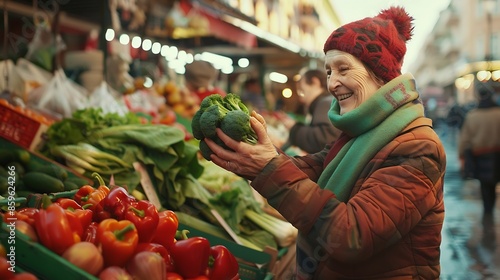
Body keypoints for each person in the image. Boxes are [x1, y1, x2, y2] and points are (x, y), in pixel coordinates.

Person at [204, 6, 446, 279]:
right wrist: (257, 157)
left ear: (380, 75)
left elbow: (353, 236)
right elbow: (308, 169)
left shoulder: (418, 148)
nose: (332, 83)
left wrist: (268, 168)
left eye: (344, 69)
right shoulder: (359, 134)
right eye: (329, 71)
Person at [458, 85, 500, 221]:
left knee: (485, 185)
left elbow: (465, 139)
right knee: (494, 183)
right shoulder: (498, 113)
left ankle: (487, 211)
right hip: (497, 155)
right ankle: (491, 209)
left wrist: (461, 156)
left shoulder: (472, 116)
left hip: (480, 156)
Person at [280, 68, 342, 153]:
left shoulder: (325, 103)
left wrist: (294, 128)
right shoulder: (325, 102)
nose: (301, 98)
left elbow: (325, 139)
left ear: (315, 82)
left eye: (302, 90)